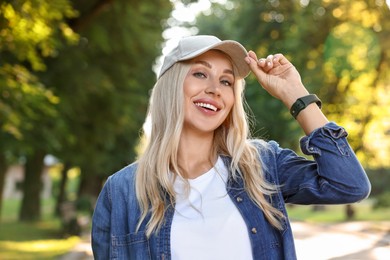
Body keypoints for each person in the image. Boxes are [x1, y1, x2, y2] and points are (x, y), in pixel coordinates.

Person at [91, 35, 371, 260]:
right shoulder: (121, 191)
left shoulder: (261, 165)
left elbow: (349, 184)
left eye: (226, 81)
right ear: (172, 86)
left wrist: (296, 95)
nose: (215, 89)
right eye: (200, 74)